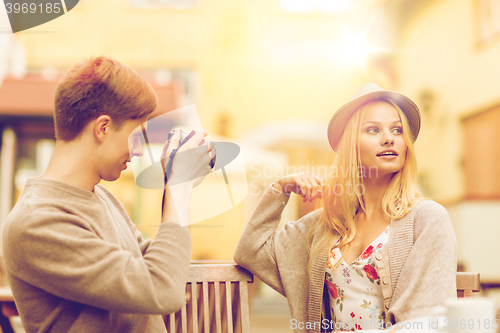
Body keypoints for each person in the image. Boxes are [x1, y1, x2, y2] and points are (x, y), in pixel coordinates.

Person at [2, 56, 214, 332]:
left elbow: (160, 266)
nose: (139, 151)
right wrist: (178, 188)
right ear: (102, 128)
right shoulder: (36, 222)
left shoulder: (102, 197)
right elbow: (161, 289)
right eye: (137, 136)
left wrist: (174, 182)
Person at [234, 83, 457, 332]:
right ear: (350, 145)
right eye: (373, 130)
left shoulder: (427, 219)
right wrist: (280, 189)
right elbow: (250, 250)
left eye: (397, 130)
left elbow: (427, 321)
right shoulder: (326, 224)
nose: (388, 138)